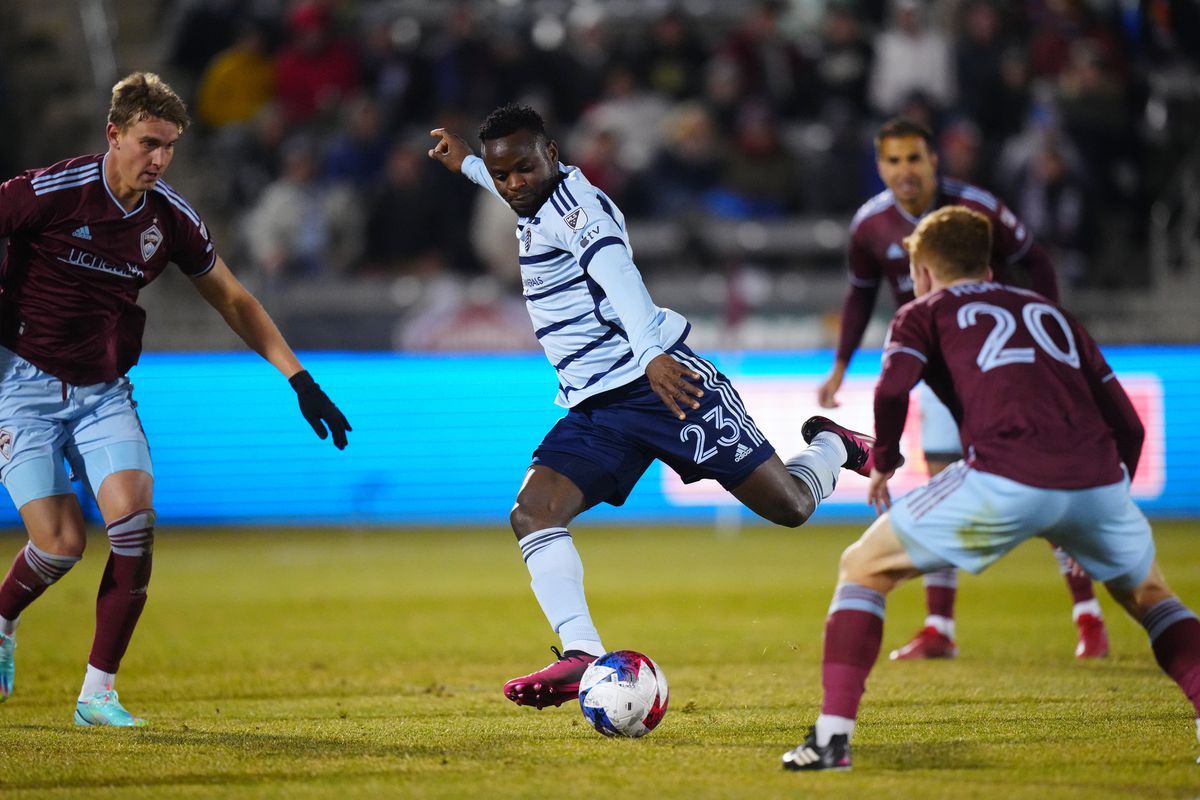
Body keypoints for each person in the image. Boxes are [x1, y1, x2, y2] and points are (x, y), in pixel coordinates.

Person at [429, 103, 875, 710]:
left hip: (662, 387)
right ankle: (581, 654)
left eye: (523, 170)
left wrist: (651, 355)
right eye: (502, 175)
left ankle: (835, 446)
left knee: (791, 507)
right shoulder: (528, 191)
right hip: (596, 406)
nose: (513, 184)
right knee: (533, 513)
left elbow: (617, 273)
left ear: (552, 155)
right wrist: (469, 167)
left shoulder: (577, 214)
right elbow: (506, 176)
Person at [781, 206, 1200, 771]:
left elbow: (890, 391)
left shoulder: (921, 312)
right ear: (985, 262)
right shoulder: (1053, 314)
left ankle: (831, 741)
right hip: (1097, 479)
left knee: (863, 568)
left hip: (1005, 473)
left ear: (923, 269)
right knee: (1154, 600)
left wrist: (882, 461)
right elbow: (1129, 424)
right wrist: (1112, 491)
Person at [0, 72, 351, 726]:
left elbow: (234, 299)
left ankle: (98, 693)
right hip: (22, 385)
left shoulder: (171, 219)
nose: (158, 159)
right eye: (147, 143)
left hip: (103, 390)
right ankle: (2, 618)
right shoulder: (50, 191)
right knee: (61, 544)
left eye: (169, 147)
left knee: (134, 520)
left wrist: (299, 379)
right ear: (114, 135)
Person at [818, 117, 1108, 660]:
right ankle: (940, 628)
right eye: (894, 161)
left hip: (1000, 371)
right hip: (935, 373)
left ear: (933, 161)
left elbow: (1035, 261)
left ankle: (1087, 615)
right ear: (880, 167)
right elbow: (860, 295)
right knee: (945, 483)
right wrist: (840, 366)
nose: (905, 171)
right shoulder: (870, 225)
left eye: (914, 158)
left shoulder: (976, 207)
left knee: (1042, 484)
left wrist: (1052, 334)